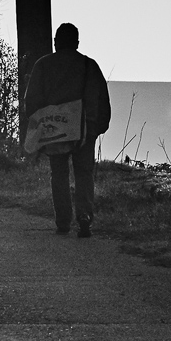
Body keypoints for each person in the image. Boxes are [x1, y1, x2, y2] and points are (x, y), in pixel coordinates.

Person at [24, 23, 111, 238]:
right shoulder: (89, 65)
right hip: (84, 129)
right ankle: (84, 216)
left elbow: (31, 101)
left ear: (56, 42)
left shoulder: (43, 65)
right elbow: (102, 98)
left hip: (54, 130)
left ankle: (63, 221)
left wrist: (39, 127)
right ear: (77, 43)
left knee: (59, 173)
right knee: (84, 173)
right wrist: (97, 127)